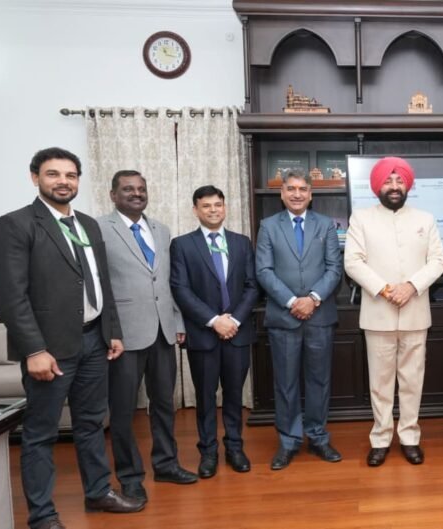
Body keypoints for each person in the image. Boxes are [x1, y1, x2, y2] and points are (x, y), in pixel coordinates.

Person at [0, 147, 144, 529]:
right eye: (53, 174)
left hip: (94, 342)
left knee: (91, 424)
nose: (63, 181)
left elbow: (101, 283)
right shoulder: (15, 225)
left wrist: (112, 331)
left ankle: (98, 492)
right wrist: (34, 350)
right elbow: (11, 296)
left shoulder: (88, 224)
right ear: (35, 177)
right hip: (50, 350)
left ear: (78, 180)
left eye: (70, 175)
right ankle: (42, 515)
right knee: (40, 434)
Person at [97, 170, 197, 502]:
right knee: (124, 410)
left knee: (165, 404)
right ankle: (129, 476)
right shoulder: (100, 229)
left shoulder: (161, 230)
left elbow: (165, 282)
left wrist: (178, 321)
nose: (136, 193)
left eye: (141, 188)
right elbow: (99, 286)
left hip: (163, 332)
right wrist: (110, 331)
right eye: (128, 189)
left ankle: (166, 464)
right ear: (113, 195)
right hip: (124, 336)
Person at [344, 157, 443, 467]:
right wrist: (386, 289)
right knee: (381, 383)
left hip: (415, 313)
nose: (394, 186)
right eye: (388, 181)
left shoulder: (425, 218)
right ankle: (381, 439)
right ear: (378, 186)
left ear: (407, 185)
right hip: (378, 313)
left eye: (399, 180)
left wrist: (411, 286)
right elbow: (353, 262)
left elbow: (438, 260)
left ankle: (410, 437)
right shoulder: (361, 218)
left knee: (413, 381)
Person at [255, 170, 344, 470]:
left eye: (302, 189)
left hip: (320, 316)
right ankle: (288, 441)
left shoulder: (325, 225)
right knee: (286, 383)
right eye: (291, 189)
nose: (297, 194)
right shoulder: (268, 226)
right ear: (282, 193)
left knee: (319, 380)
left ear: (310, 194)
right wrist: (293, 302)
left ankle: (318, 436)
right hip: (284, 316)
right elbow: (263, 270)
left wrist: (313, 298)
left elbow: (334, 268)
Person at [170, 185, 259, 478]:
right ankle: (208, 452)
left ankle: (235, 447)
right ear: (195, 210)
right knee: (206, 397)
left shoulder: (242, 242)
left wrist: (234, 320)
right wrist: (213, 320)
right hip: (203, 335)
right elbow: (180, 289)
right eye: (206, 206)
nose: (213, 210)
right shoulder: (182, 245)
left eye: (217, 205)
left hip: (237, 333)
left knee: (234, 394)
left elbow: (252, 286)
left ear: (225, 208)